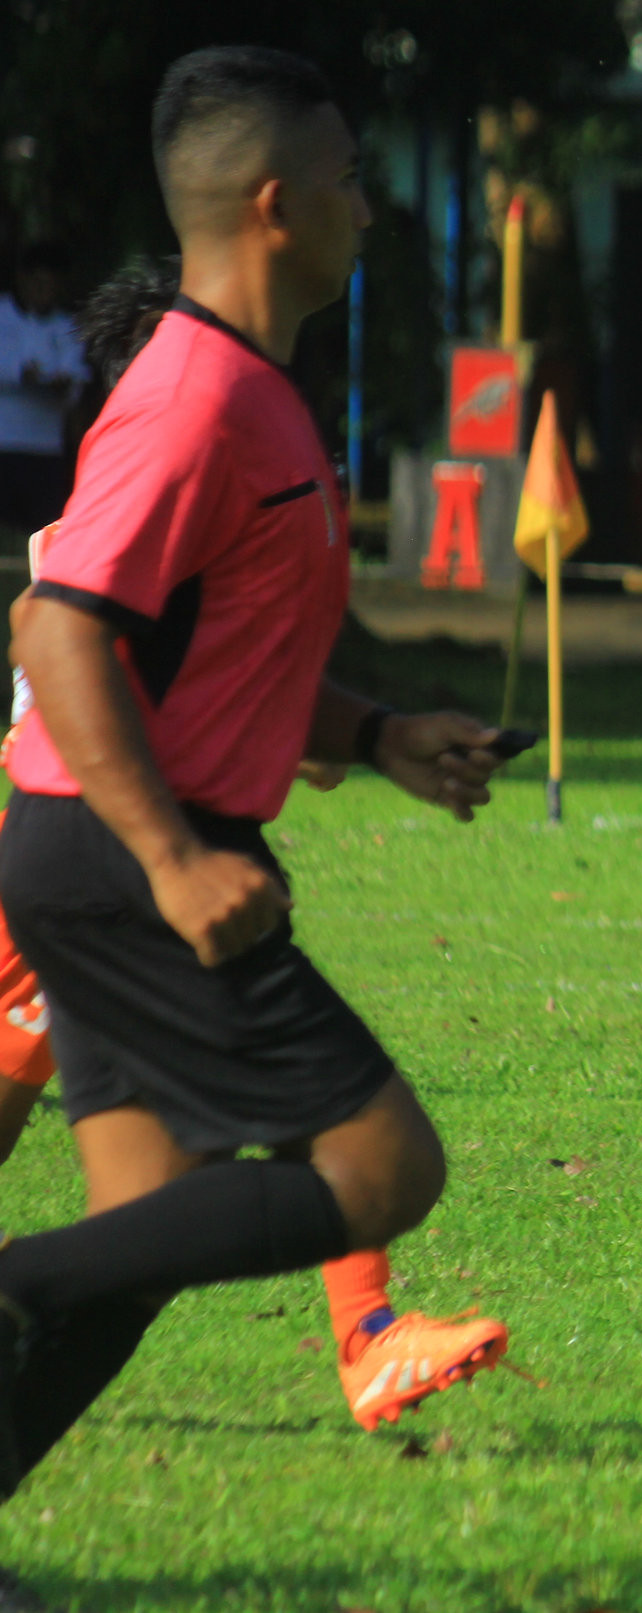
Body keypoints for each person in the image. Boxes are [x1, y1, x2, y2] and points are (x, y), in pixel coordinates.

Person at [0, 47, 512, 1555]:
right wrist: (170, 857)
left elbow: (217, 646)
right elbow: (59, 628)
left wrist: (378, 730)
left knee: (141, 1239)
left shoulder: (255, 390)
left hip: (106, 849)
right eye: (350, 179)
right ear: (279, 205)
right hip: (124, 855)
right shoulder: (193, 397)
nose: (370, 206)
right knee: (384, 1166)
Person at [0, 243, 88, 532]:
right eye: (38, 283)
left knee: (42, 530)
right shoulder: (3, 316)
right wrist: (21, 373)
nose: (44, 292)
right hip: (4, 442)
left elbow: (76, 377)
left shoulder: (67, 326)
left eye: (51, 285)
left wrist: (63, 384)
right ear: (23, 280)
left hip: (46, 448)